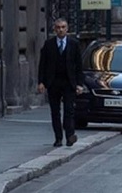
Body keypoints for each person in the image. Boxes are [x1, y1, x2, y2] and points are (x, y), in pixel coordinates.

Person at [38, 18, 84, 147]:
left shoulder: (74, 44)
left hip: (69, 82)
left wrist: (79, 84)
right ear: (54, 29)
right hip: (53, 82)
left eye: (63, 27)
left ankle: (70, 136)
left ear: (67, 28)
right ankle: (58, 138)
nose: (61, 30)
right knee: (55, 111)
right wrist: (41, 82)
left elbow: (79, 66)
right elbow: (43, 64)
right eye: (58, 27)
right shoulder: (49, 44)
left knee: (69, 111)